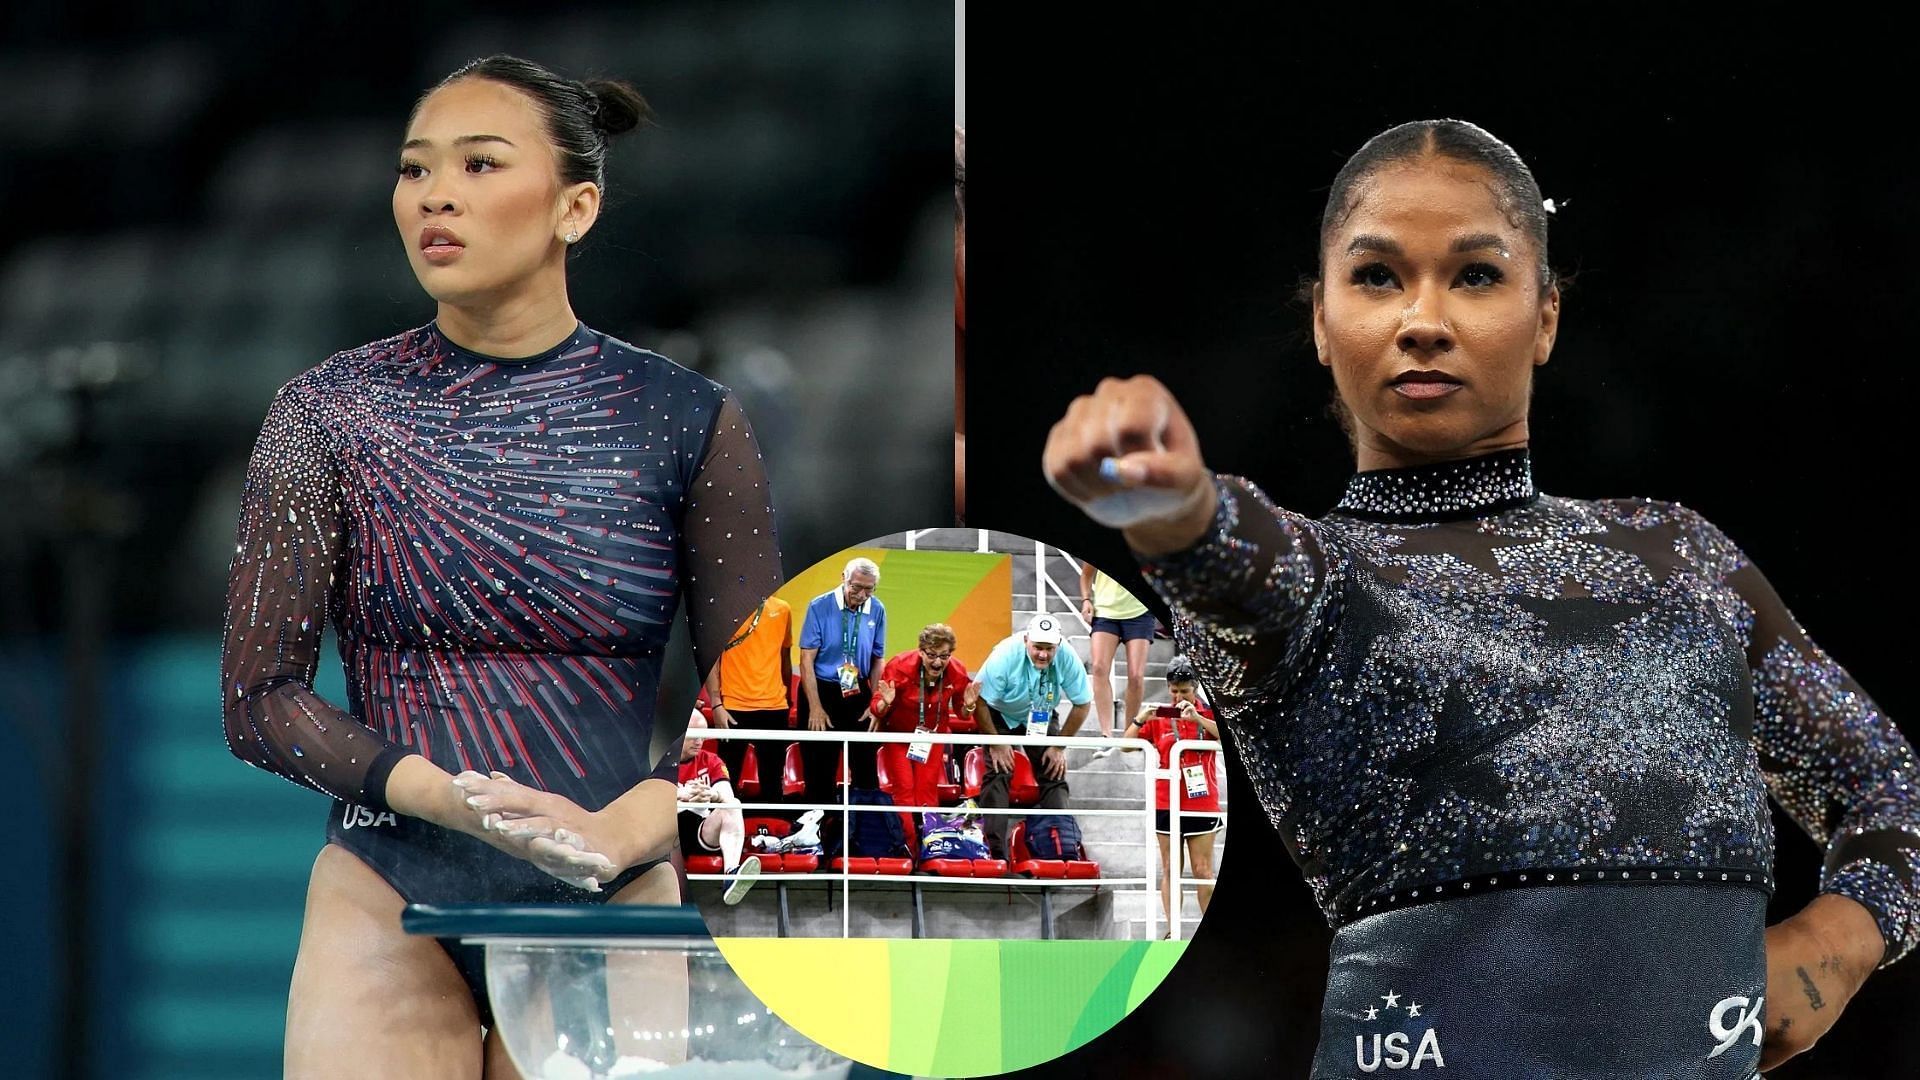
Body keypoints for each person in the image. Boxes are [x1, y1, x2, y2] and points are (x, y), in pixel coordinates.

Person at [1042, 119, 1918, 1076]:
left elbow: (1881, 781)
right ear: (1322, 326)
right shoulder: (1323, 582)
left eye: (1475, 275)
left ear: (1545, 316)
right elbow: (1234, 561)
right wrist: (1179, 506)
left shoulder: (1679, 556)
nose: (1424, 318)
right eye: (1377, 277)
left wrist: (1837, 946)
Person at [219, 55, 782, 1078]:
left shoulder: (683, 420)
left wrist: (624, 834)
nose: (435, 193)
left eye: (480, 164)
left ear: (575, 208)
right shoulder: (329, 414)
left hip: (615, 881)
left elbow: (755, 706)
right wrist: (450, 800)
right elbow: (258, 698)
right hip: (389, 882)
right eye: (414, 169)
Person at [971, 613, 1092, 860]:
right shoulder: (1004, 656)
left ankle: (1060, 848)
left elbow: (1082, 704)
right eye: (1037, 647)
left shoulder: (1067, 658)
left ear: (1059, 645)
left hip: (1040, 715)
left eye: (1049, 648)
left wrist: (1059, 747)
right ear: (1026, 640)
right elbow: (980, 702)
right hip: (1000, 713)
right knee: (999, 771)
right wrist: (996, 742)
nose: (1043, 654)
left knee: (1054, 772)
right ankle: (995, 854)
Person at [1121, 655, 1220, 938]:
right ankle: (1172, 930)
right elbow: (1125, 747)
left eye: (1184, 691)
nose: (1178, 697)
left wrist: (1197, 717)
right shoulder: (1159, 717)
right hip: (1166, 802)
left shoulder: (1209, 714)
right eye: (1173, 690)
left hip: (1202, 802)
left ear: (1196, 687)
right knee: (1170, 868)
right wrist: (1141, 718)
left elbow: (1229, 741)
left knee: (1203, 870)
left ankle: (1211, 933)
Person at [796, 557, 887, 822]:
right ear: (843, 578)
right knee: (819, 768)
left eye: (869, 589)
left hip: (857, 691)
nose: (862, 595)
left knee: (865, 765)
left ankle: (864, 833)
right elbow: (806, 660)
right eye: (856, 587)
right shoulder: (819, 606)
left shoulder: (877, 609)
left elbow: (878, 657)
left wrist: (876, 702)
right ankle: (818, 834)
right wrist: (815, 706)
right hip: (822, 690)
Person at [867, 623, 982, 813]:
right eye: (932, 655)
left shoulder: (957, 671)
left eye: (944, 656)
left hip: (931, 737)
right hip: (899, 736)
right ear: (921, 651)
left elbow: (963, 715)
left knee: (927, 792)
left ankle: (928, 841)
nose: (937, 662)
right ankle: (907, 842)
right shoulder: (899, 665)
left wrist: (969, 706)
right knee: (904, 790)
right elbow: (877, 709)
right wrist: (885, 702)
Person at [704, 596, 794, 809]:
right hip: (733, 707)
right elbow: (711, 659)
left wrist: (786, 698)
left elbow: (785, 657)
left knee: (772, 780)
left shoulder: (783, 609)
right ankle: (719, 834)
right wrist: (716, 704)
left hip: (774, 707)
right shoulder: (723, 609)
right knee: (727, 778)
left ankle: (772, 834)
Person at [677, 710, 761, 905]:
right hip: (665, 834)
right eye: (694, 736)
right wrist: (680, 795)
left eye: (703, 736)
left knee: (732, 804)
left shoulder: (711, 760)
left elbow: (727, 795)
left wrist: (711, 795)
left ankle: (731, 874)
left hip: (701, 831)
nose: (700, 741)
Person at [1078, 563, 1153, 757]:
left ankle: (1129, 734)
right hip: (1105, 612)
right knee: (1099, 668)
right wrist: (1086, 599)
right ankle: (1106, 735)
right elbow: (1086, 574)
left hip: (1140, 612)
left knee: (1136, 675)